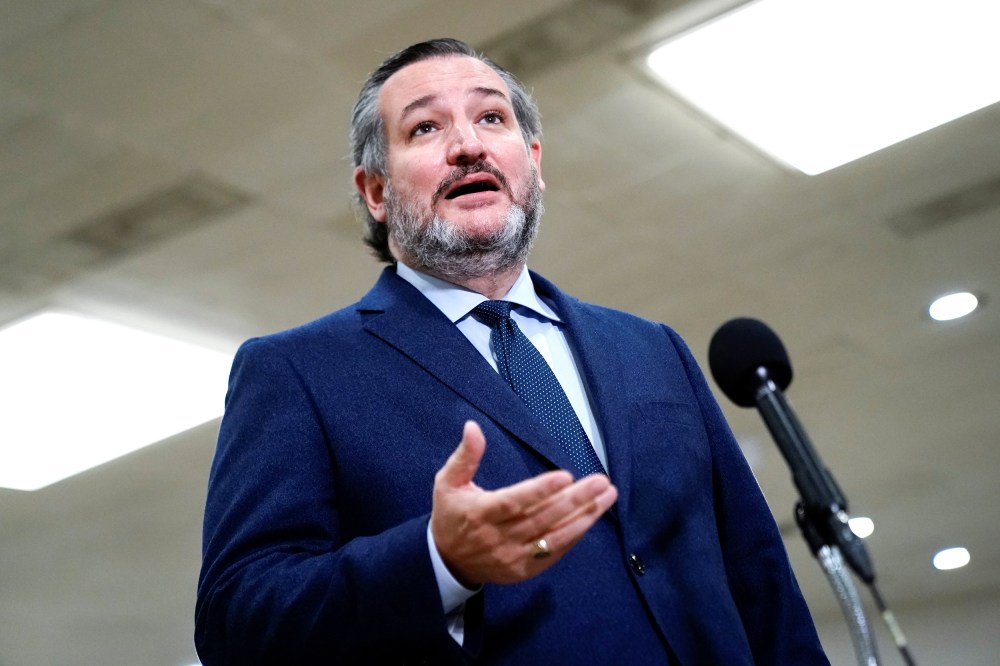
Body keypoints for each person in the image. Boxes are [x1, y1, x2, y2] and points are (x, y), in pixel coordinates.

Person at [195, 38, 829, 665]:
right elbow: (236, 619)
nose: (468, 145)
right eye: (424, 128)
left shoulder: (652, 349)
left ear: (533, 160)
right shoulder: (298, 371)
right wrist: (438, 559)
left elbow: (760, 579)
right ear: (376, 191)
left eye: (492, 117)